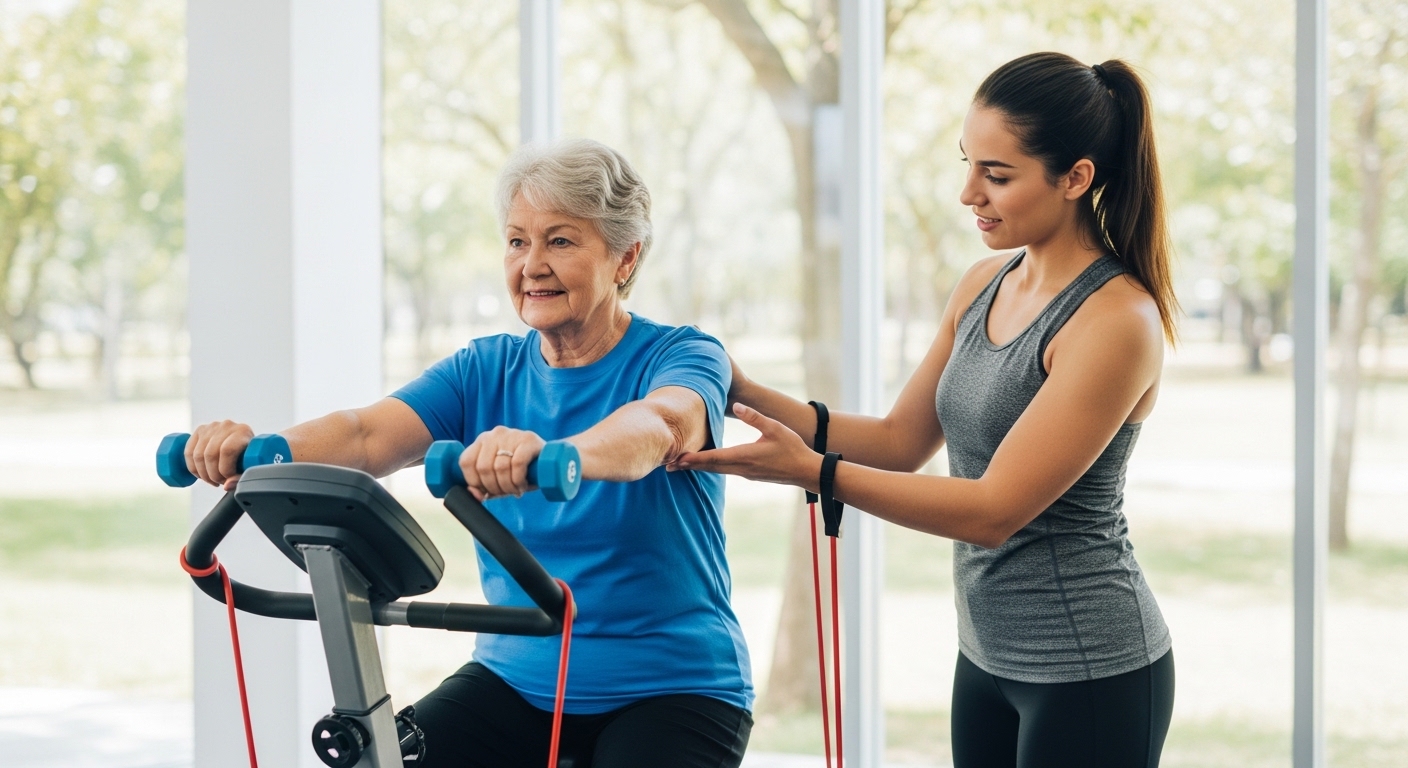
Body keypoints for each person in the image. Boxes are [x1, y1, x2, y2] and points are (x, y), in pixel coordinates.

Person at [673, 52, 1177, 768]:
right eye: (968, 164)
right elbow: (898, 439)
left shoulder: (1115, 321)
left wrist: (813, 472)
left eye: (997, 175)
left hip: (1089, 670)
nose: (969, 193)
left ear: (1075, 178)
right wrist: (742, 391)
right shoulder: (983, 283)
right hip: (985, 657)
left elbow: (993, 512)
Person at [183, 139, 753, 768]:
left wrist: (554, 455)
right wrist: (258, 451)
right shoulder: (483, 370)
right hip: (516, 680)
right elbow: (365, 434)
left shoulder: (682, 354)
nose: (532, 265)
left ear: (626, 257)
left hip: (674, 689)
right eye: (517, 241)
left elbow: (660, 424)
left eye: (560, 241)